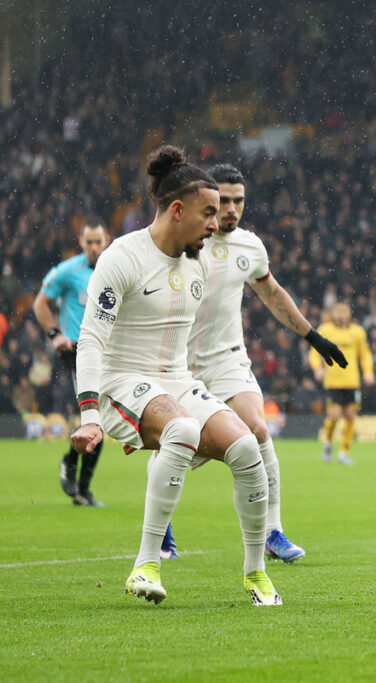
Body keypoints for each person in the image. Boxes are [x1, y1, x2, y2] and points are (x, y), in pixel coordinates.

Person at [69, 145, 282, 606]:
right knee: (183, 429)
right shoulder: (121, 258)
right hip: (122, 381)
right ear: (177, 209)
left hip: (178, 381)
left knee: (248, 447)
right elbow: (91, 341)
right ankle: (146, 564)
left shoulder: (200, 260)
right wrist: (89, 414)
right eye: (209, 212)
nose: (217, 222)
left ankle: (256, 574)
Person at [163, 163, 346, 564]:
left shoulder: (250, 247)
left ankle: (272, 532)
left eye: (238, 201)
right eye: (223, 201)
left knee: (259, 429)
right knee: (176, 445)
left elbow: (274, 295)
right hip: (177, 363)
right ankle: (161, 529)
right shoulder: (183, 241)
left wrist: (312, 336)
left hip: (228, 359)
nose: (231, 209)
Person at [33, 216, 110, 506]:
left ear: (106, 240)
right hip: (78, 351)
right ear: (81, 242)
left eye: (98, 242)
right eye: (88, 242)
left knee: (101, 420)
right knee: (95, 416)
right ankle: (77, 476)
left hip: (107, 351)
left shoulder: (114, 268)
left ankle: (81, 487)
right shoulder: (68, 271)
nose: (93, 247)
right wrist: (55, 334)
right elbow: (40, 302)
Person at [310, 302, 375, 464]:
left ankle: (344, 452)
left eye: (344, 312)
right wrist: (317, 368)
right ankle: (328, 442)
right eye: (338, 312)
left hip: (352, 382)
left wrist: (368, 372)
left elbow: (365, 354)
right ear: (332, 314)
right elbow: (314, 352)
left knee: (351, 416)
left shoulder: (357, 332)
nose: (341, 315)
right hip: (333, 382)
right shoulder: (325, 330)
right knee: (334, 416)